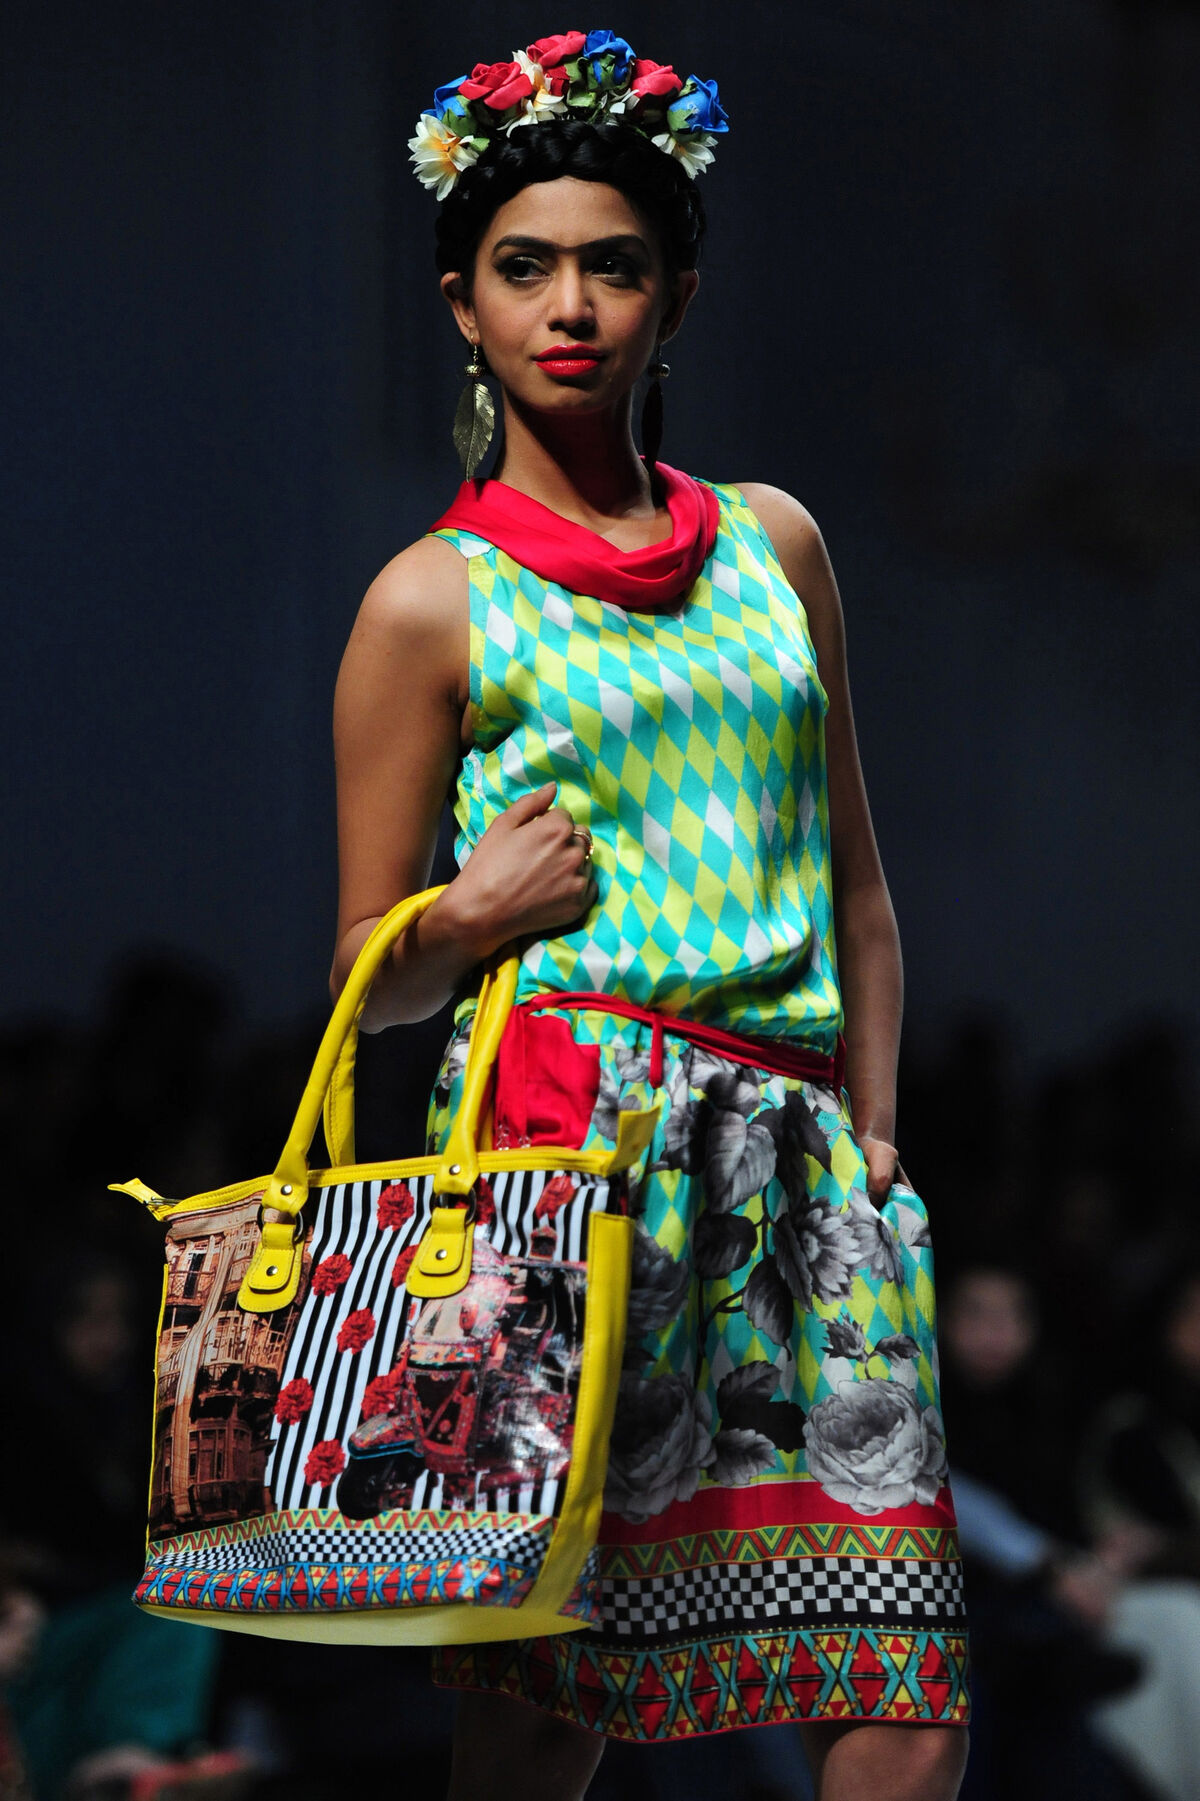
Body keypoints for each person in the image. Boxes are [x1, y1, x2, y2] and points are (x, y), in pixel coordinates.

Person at [329, 30, 969, 1801]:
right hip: (561, 1152)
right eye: (525, 268)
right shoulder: (427, 604)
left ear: (675, 293)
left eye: (614, 264)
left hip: (798, 1152)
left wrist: (877, 1130)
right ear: (461, 304)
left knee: (900, 1672)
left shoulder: (779, 543)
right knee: (545, 1696)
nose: (572, 305)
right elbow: (361, 985)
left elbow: (853, 864)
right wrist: (467, 912)